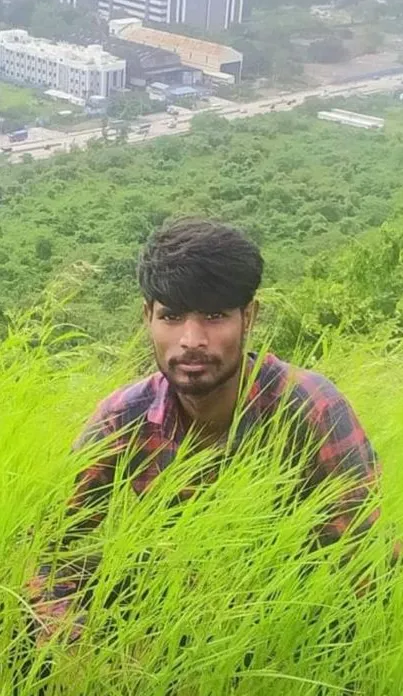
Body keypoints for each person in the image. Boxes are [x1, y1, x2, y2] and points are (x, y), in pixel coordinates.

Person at [27, 218, 380, 644]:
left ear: (249, 316)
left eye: (215, 316)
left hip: (286, 634)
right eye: (172, 316)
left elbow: (367, 568)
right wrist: (73, 643)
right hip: (161, 632)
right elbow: (49, 548)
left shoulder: (309, 409)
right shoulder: (124, 417)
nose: (191, 340)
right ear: (147, 318)